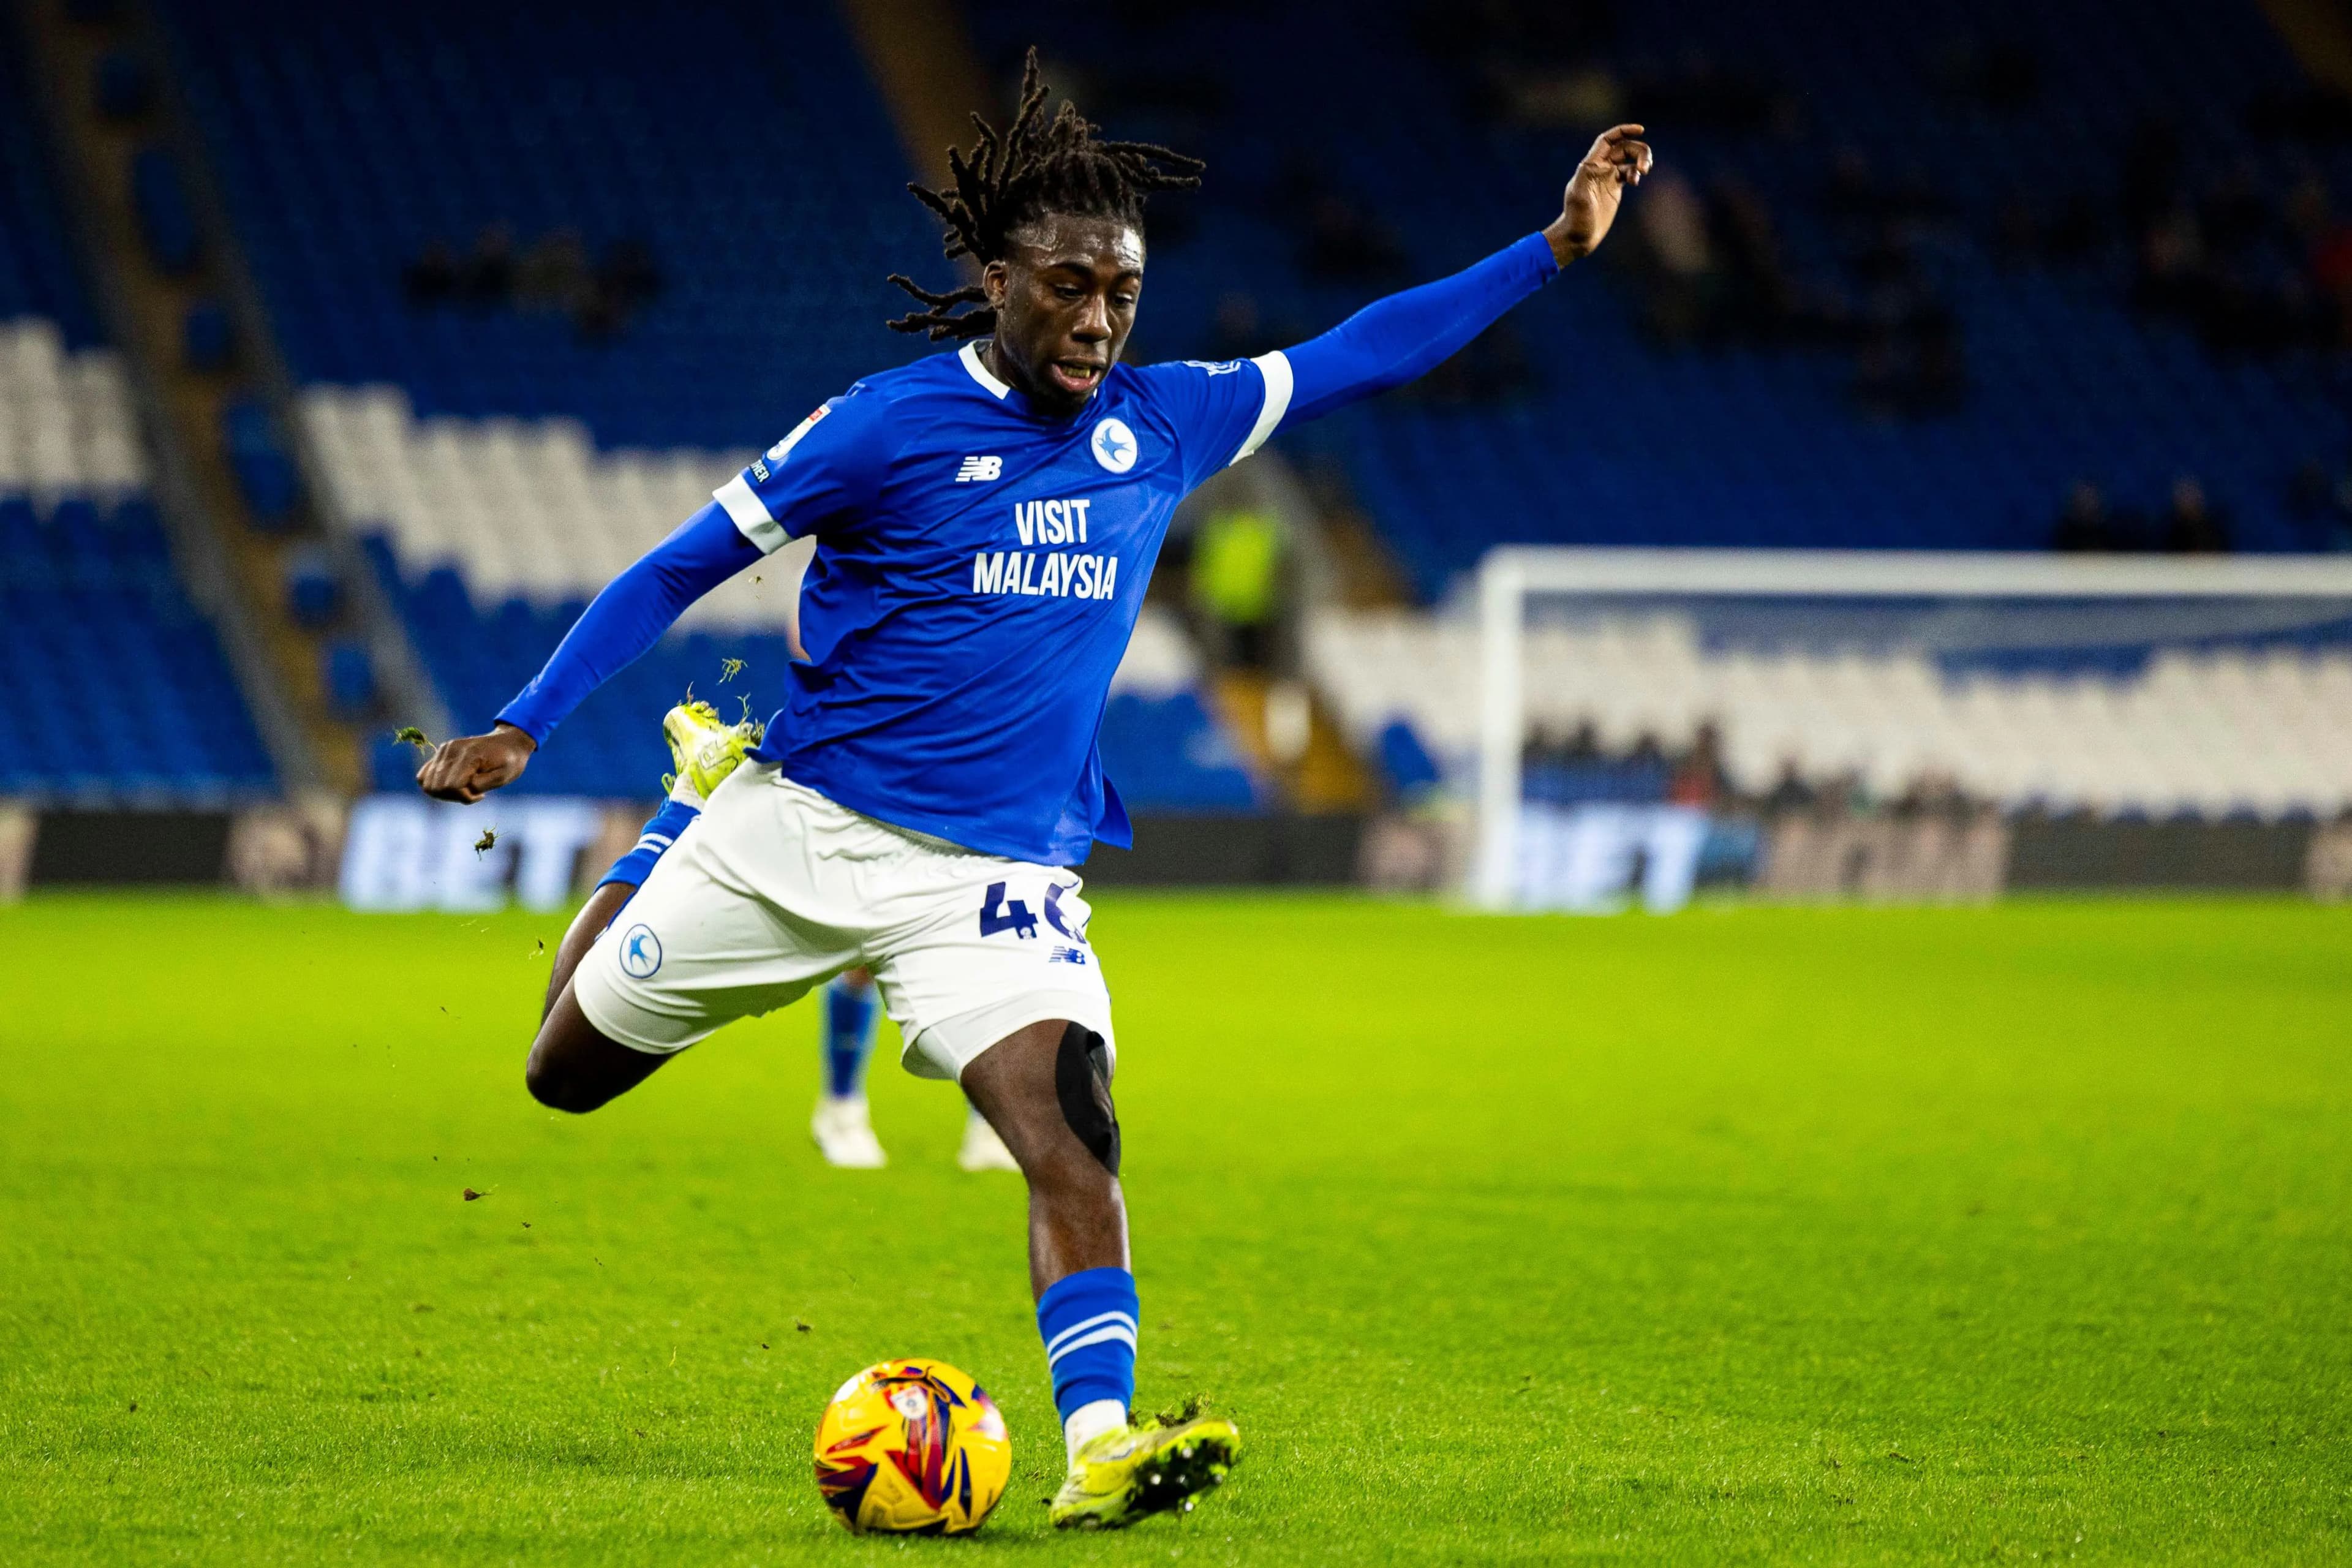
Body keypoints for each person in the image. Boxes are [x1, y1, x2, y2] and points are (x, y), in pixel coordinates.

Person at [417, 51, 1649, 1529]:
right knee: (562, 1071)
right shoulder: (880, 423)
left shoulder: (1168, 419)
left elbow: (1362, 347)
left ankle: (1102, 1442)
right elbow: (681, 562)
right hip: (795, 827)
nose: (1099, 316)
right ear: (997, 277)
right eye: (1069, 284)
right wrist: (526, 720)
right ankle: (683, 806)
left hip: (994, 881)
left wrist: (1552, 250)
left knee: (1071, 1125)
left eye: (1122, 288)